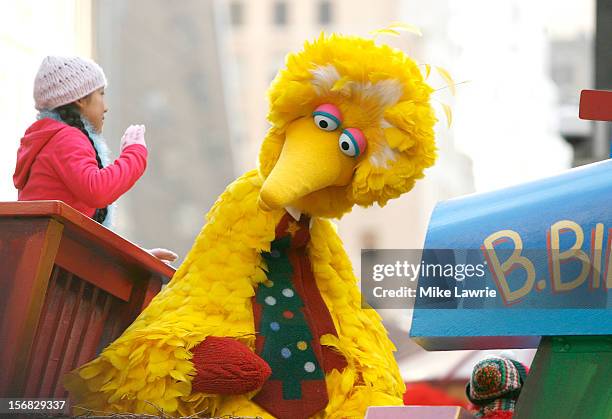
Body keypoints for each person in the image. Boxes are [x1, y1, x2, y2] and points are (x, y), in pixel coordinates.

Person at [13, 55, 177, 263]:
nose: (106, 106)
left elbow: (83, 221)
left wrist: (135, 255)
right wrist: (134, 154)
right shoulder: (65, 139)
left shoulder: (50, 140)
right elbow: (97, 190)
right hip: (57, 266)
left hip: (49, 258)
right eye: (101, 94)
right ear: (80, 99)